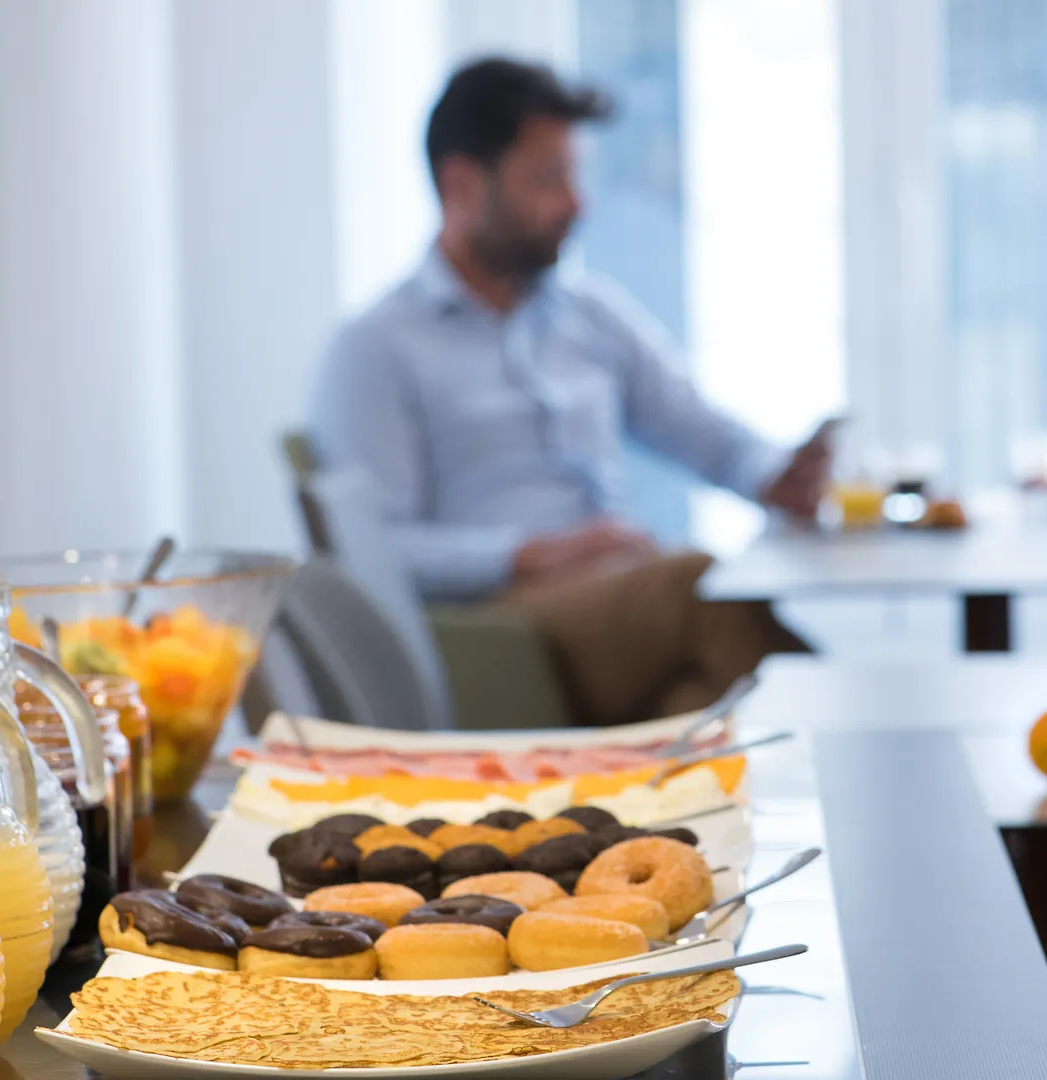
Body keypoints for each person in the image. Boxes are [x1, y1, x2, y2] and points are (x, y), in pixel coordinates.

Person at [310, 57, 829, 727]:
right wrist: (531, 552)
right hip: (501, 624)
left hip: (617, 603)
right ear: (462, 184)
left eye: (575, 174)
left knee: (699, 713)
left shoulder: (588, 313)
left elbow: (695, 426)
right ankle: (864, 748)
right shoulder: (376, 347)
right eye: (548, 179)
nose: (577, 202)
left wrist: (772, 472)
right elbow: (374, 549)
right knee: (696, 583)